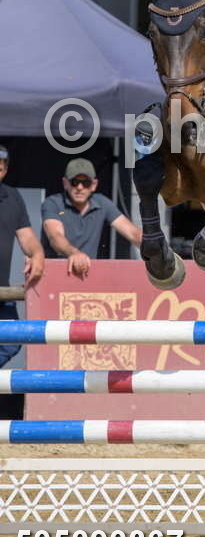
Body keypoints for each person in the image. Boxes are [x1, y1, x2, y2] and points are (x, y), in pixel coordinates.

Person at [42, 158, 141, 278]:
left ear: (94, 185)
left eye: (86, 183)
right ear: (65, 183)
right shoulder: (52, 203)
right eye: (74, 182)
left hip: (87, 275)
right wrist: (74, 253)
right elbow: (55, 237)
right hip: (54, 274)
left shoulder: (102, 203)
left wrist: (157, 250)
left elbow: (133, 233)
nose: (80, 187)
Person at [0, 144, 44, 369]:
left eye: (0, 166)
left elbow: (27, 237)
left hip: (2, 293)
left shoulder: (12, 196)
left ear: (5, 170)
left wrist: (37, 255)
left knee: (12, 341)